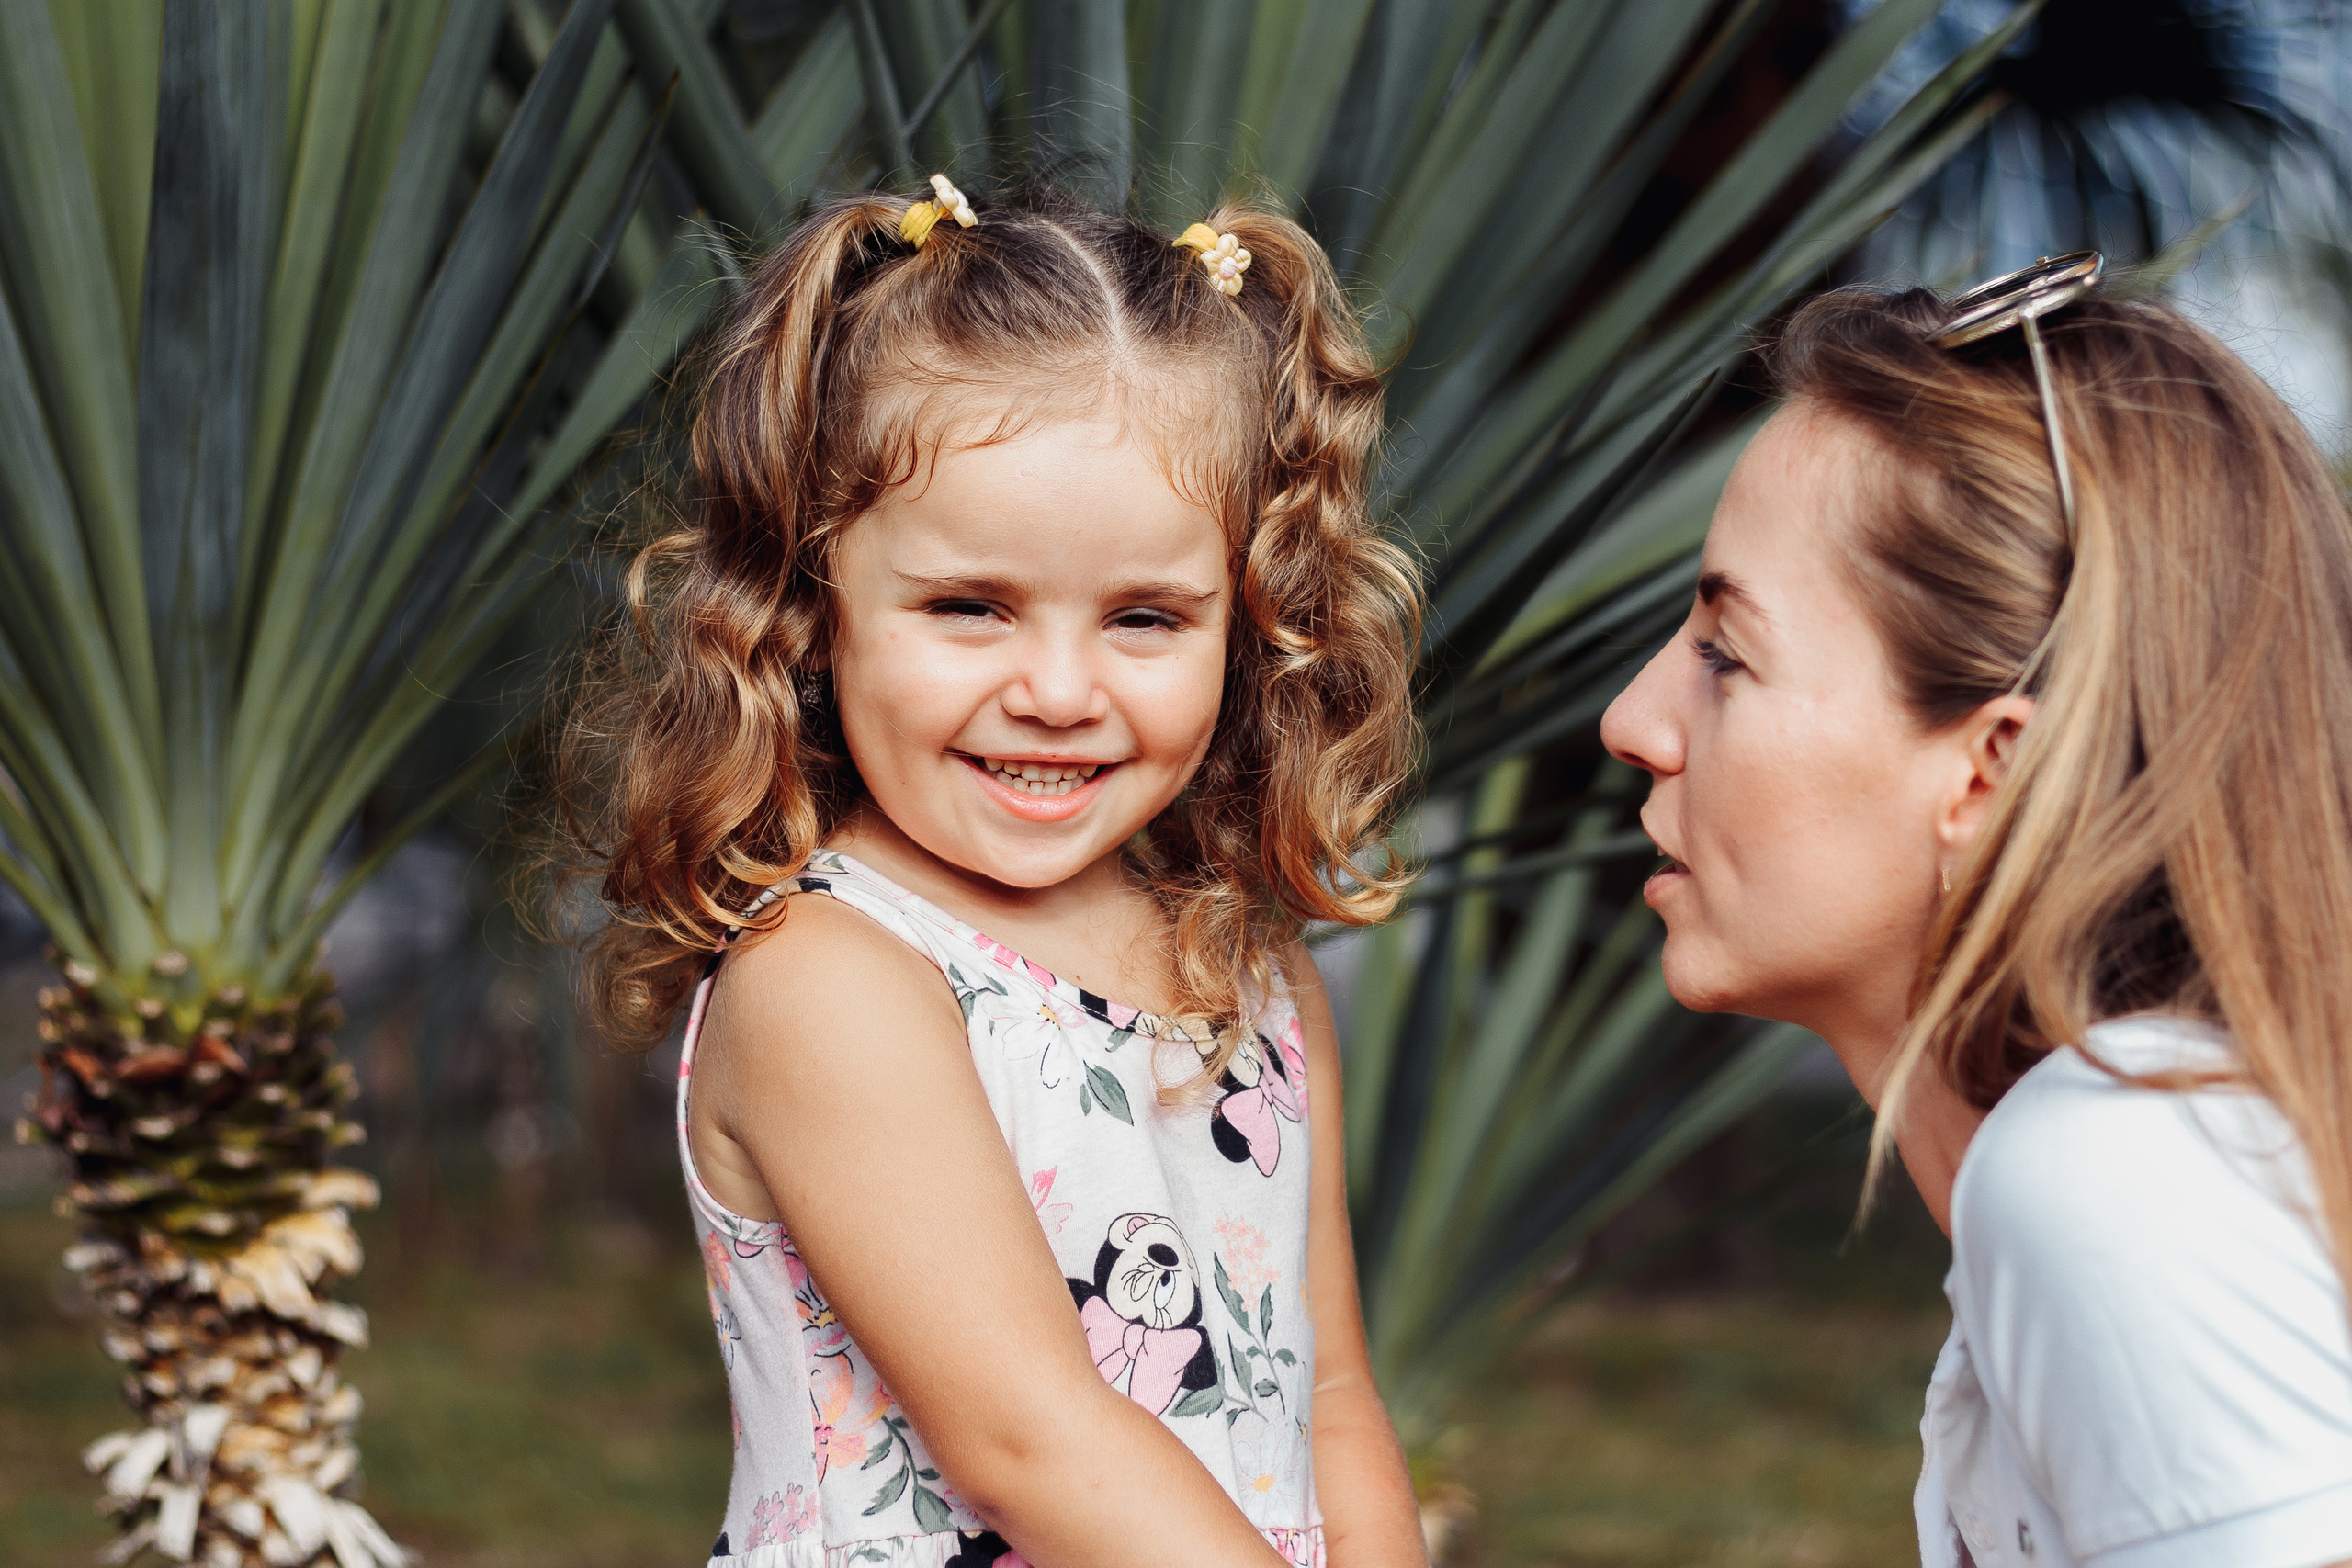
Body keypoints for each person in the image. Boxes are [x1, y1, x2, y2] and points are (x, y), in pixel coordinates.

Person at [552, 176, 1426, 1568]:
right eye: (972, 609)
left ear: (1249, 625)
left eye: (1145, 616)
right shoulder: (832, 980)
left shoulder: (1250, 973)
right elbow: (1029, 1442)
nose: (1060, 691)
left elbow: (1331, 1399)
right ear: (814, 601)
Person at [1600, 262, 2352, 1567]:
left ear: (1991, 772)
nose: (1633, 722)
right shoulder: (2149, 1147)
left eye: (1728, 656)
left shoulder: (2115, 1172)